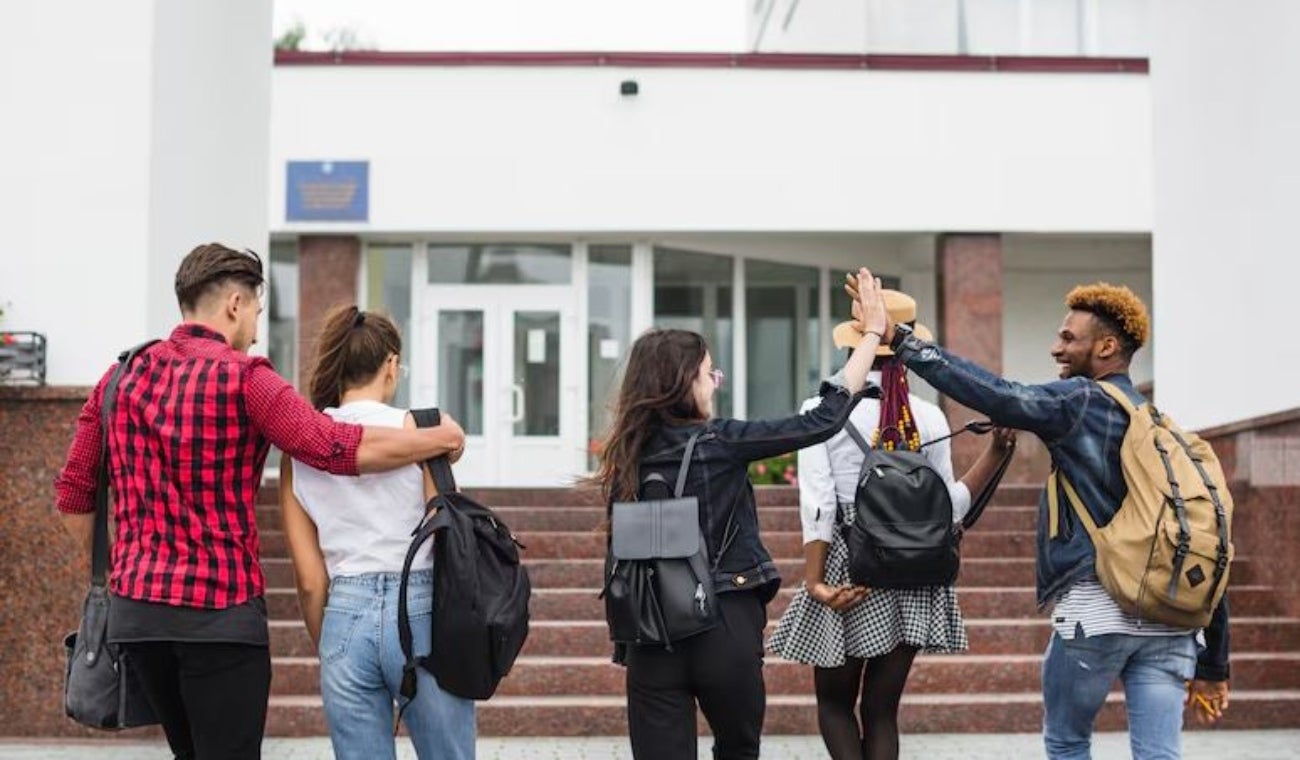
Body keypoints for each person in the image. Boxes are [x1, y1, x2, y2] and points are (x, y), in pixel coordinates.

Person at [54, 243, 466, 760]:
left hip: (138, 617)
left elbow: (74, 496)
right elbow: (330, 446)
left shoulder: (117, 379)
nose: (253, 327)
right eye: (254, 311)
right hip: (220, 613)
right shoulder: (247, 378)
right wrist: (438, 439)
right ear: (233, 304)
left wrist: (126, 570)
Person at [850, 278, 1231, 759]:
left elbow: (999, 394)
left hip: (1098, 613)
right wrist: (1215, 664)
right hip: (1174, 624)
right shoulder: (1163, 428)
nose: (1057, 348)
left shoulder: (1082, 401)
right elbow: (1205, 538)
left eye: (1069, 338)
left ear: (1108, 347)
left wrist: (900, 341)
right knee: (1160, 754)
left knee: (1068, 742)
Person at [590, 268, 890, 760]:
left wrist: (625, 641)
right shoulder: (721, 440)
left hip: (648, 633)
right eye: (712, 374)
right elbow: (821, 419)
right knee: (738, 750)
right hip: (723, 618)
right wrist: (873, 333)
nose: (716, 385)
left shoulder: (625, 454)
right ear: (686, 380)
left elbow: (617, 556)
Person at [769, 290, 1017, 760]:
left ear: (852, 343)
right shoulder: (928, 415)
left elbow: (819, 505)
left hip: (849, 564)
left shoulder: (821, 411)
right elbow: (948, 512)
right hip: (913, 571)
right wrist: (995, 453)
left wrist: (816, 580)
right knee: (883, 711)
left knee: (835, 704)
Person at [278, 305, 474, 760]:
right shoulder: (422, 430)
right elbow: (445, 534)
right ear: (390, 364)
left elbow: (309, 580)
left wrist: (329, 642)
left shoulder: (302, 449)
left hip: (345, 613)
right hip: (422, 607)